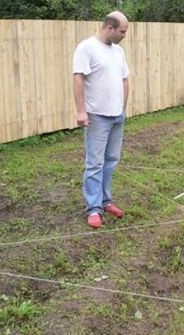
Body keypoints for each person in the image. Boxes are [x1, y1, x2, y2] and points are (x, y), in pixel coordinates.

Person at [73, 11, 130, 229]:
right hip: (97, 116)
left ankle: (106, 201)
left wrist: (122, 109)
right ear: (110, 28)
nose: (125, 35)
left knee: (111, 160)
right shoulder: (87, 48)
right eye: (122, 31)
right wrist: (81, 111)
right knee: (95, 163)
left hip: (117, 116)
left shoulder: (118, 51)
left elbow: (125, 79)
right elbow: (78, 78)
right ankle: (93, 209)